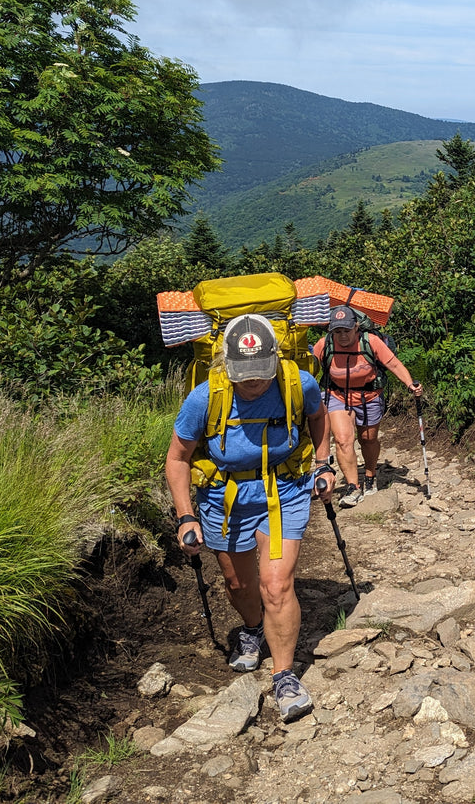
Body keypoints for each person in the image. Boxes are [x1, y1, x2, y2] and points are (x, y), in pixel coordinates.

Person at [165, 312, 332, 722]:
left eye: (261, 373)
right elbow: (177, 459)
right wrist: (186, 516)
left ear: (275, 360)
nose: (253, 382)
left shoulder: (298, 383)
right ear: (228, 365)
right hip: (224, 496)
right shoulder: (204, 397)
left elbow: (318, 417)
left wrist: (323, 464)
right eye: (244, 374)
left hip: (284, 489)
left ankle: (284, 675)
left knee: (276, 584)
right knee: (238, 583)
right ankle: (254, 628)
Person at [312, 304, 423, 506]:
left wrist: (410, 384)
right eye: (337, 331)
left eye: (346, 330)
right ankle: (353, 487)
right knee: (343, 440)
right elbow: (308, 369)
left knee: (368, 439)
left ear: (356, 327)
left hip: (369, 396)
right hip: (337, 395)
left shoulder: (370, 342)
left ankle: (370, 475)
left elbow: (394, 364)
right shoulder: (325, 344)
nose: (342, 336)